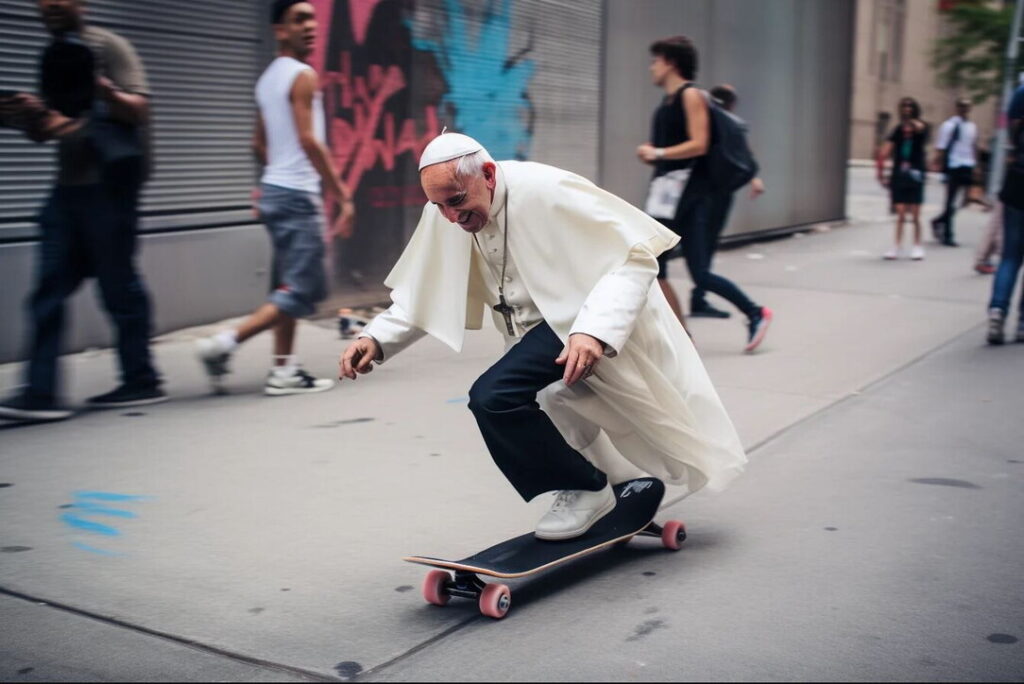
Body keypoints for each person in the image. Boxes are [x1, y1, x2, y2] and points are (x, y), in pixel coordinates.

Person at [340, 133, 747, 540]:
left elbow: (634, 259)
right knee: (554, 400)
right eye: (438, 206)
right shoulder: (450, 205)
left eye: (457, 202)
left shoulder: (547, 190)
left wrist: (593, 331)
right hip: (531, 330)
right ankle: (615, 480)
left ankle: (585, 490)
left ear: (487, 174)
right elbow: (427, 289)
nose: (450, 218)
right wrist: (376, 338)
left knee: (494, 397)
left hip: (579, 318)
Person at [0, 0, 163, 422]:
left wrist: (101, 87)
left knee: (118, 288)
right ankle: (41, 393)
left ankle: (141, 380)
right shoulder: (52, 54)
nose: (50, 4)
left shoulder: (109, 47)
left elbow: (139, 110)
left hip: (109, 190)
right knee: (47, 290)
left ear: (82, 4)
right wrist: (29, 117)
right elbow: (56, 127)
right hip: (68, 190)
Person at [195, 0, 354, 395]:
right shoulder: (303, 75)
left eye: (312, 18)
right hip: (298, 195)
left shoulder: (267, 79)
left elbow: (257, 142)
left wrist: (271, 182)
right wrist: (342, 194)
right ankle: (223, 344)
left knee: (287, 286)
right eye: (299, 20)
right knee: (305, 289)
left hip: (277, 192)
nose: (311, 26)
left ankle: (283, 369)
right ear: (279, 30)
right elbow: (308, 140)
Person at [636, 36, 772, 352]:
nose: (651, 67)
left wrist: (656, 153)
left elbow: (699, 143)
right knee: (655, 267)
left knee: (698, 274)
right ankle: (683, 340)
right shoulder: (666, 103)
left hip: (692, 197)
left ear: (670, 62)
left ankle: (756, 313)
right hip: (668, 196)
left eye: (655, 60)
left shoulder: (691, 96)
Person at [689, 84, 766, 318]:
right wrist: (753, 178)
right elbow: (745, 157)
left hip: (697, 190)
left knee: (696, 249)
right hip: (719, 194)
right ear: (732, 103)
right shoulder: (733, 123)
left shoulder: (705, 116)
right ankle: (701, 298)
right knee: (706, 248)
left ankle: (698, 299)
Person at [986, 82, 1024, 345]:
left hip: (1018, 183)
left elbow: (1012, 134)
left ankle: (998, 311)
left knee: (1010, 255)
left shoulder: (1021, 93)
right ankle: (1022, 324)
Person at [876, 97, 929, 260]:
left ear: (915, 109)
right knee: (899, 213)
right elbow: (886, 149)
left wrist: (912, 122)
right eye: (904, 106)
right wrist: (880, 170)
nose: (907, 109)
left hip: (916, 174)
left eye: (910, 106)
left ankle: (917, 245)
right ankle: (896, 246)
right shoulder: (898, 130)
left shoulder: (921, 127)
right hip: (900, 174)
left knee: (915, 214)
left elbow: (920, 129)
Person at [931, 98, 978, 247]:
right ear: (957, 108)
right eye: (962, 106)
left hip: (967, 163)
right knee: (950, 200)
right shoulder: (949, 125)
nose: (964, 109)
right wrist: (937, 162)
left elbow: (973, 145)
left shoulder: (972, 126)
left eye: (967, 106)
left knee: (965, 200)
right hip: (953, 164)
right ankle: (948, 235)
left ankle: (939, 220)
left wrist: (976, 166)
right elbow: (941, 146)